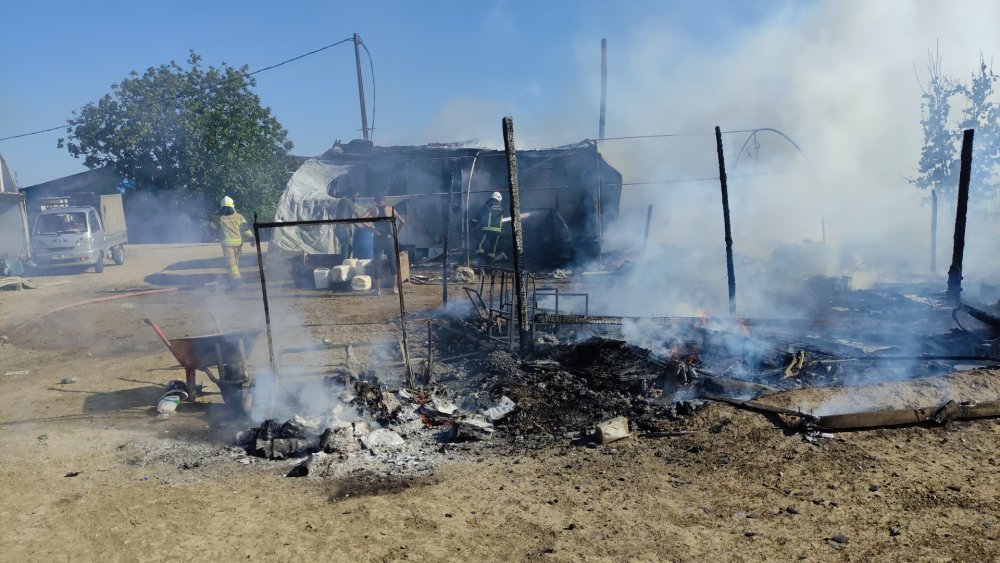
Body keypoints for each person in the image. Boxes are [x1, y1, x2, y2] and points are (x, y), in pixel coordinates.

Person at [209, 195, 254, 282]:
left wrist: (212, 224)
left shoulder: (219, 217)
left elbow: (211, 228)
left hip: (227, 244)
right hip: (239, 244)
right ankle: (232, 278)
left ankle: (236, 279)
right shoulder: (239, 217)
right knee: (235, 262)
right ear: (232, 205)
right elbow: (245, 229)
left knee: (232, 264)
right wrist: (252, 237)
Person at [370, 195, 405, 295]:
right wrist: (396, 233)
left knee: (377, 262)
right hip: (389, 238)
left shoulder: (373, 209)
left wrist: (373, 229)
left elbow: (362, 220)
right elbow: (403, 221)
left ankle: (378, 290)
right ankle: (394, 288)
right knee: (392, 262)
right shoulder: (390, 209)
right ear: (384, 200)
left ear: (375, 200)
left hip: (378, 239)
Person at [473, 191, 505, 262]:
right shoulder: (501, 208)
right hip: (497, 230)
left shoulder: (487, 205)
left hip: (487, 229)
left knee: (481, 244)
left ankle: (479, 259)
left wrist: (473, 222)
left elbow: (478, 214)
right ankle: (490, 261)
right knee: (493, 246)